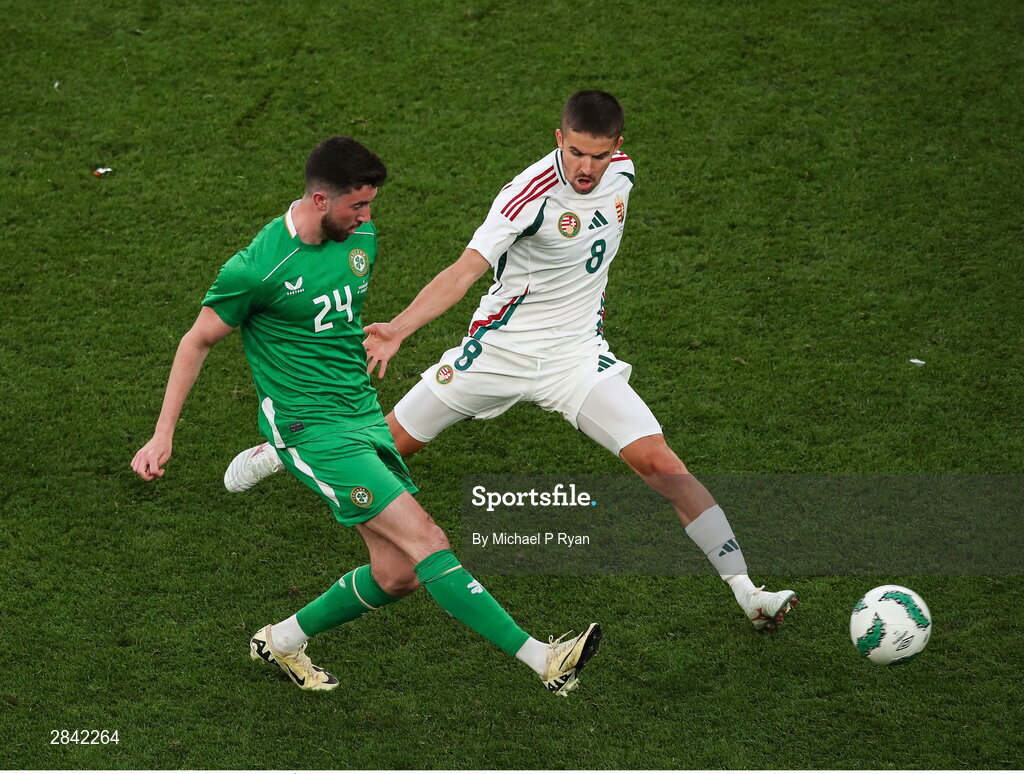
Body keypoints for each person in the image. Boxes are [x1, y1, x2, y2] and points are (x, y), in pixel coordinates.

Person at [226, 92, 798, 632]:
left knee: (662, 465)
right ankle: (280, 450)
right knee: (384, 448)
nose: (585, 167)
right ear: (559, 137)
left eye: (598, 155)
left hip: (577, 359)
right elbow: (464, 269)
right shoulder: (528, 194)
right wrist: (398, 329)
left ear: (617, 147)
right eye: (575, 150)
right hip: (497, 352)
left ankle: (748, 591)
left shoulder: (624, 173)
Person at [131, 136, 601, 695]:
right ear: (320, 200)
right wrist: (162, 437)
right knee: (428, 538)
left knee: (396, 575)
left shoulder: (361, 239)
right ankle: (543, 659)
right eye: (358, 206)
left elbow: (331, 320)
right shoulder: (257, 269)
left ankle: (280, 641)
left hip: (363, 415)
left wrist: (386, 336)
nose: (368, 218)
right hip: (314, 431)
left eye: (370, 205)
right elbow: (195, 342)